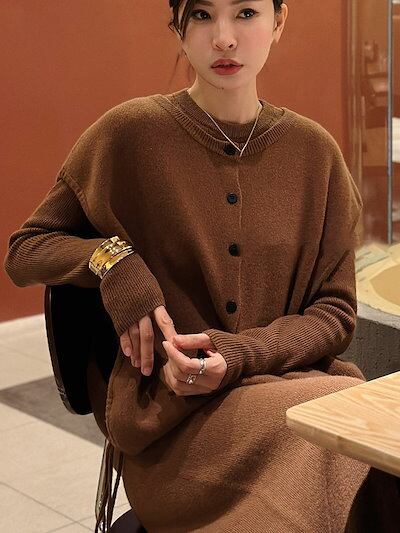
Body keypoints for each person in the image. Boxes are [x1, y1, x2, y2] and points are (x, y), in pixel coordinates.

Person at [4, 0, 400, 531]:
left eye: (246, 13)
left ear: (279, 22)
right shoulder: (128, 134)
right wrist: (114, 261)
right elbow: (26, 251)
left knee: (359, 441)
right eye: (202, 15)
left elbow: (334, 314)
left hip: (295, 385)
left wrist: (237, 355)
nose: (225, 38)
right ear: (177, 26)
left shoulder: (315, 153)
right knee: (341, 443)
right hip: (173, 424)